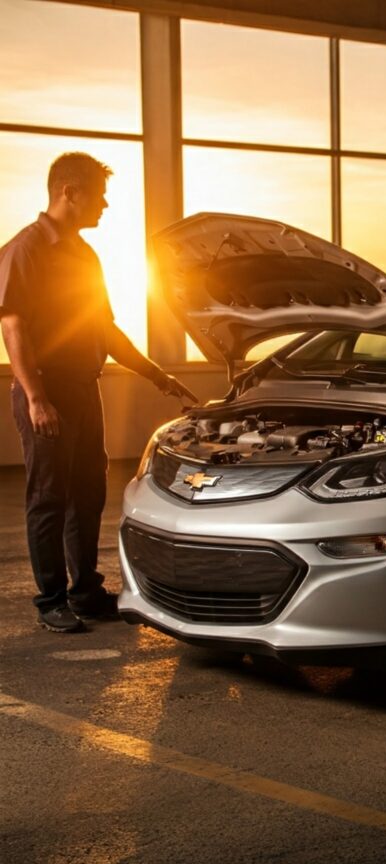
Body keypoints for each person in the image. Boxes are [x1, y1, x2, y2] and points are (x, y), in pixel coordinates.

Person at [0, 151, 197, 633]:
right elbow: (13, 324)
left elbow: (104, 330)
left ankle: (85, 593)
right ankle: (50, 600)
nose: (106, 205)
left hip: (85, 389)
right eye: (100, 195)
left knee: (88, 493)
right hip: (45, 389)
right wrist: (35, 397)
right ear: (70, 191)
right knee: (49, 496)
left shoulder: (84, 255)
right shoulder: (25, 250)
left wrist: (155, 374)